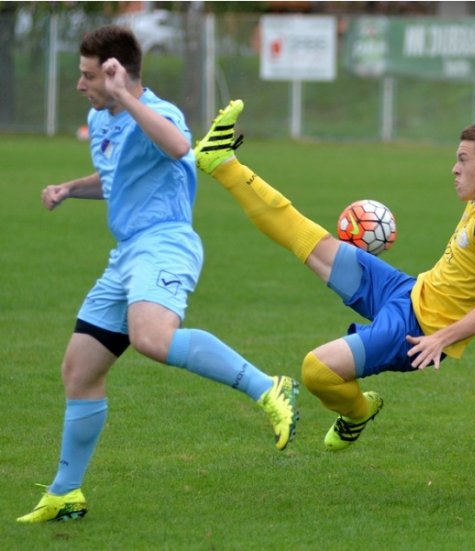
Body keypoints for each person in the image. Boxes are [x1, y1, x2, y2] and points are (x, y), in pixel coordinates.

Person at [193, 35, 475, 453]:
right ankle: (222, 163)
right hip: (406, 291)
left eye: (462, 160)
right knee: (310, 240)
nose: (454, 168)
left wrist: (442, 339)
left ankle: (357, 412)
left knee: (316, 371)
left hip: (415, 330)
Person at [17, 26, 298, 524]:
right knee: (79, 372)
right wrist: (67, 188)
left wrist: (126, 94)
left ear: (116, 73)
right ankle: (66, 493)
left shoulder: (159, 113)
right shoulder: (99, 118)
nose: (80, 86)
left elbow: (177, 146)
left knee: (152, 337)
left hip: (165, 245)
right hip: (127, 254)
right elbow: (114, 179)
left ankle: (268, 387)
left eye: (88, 76)